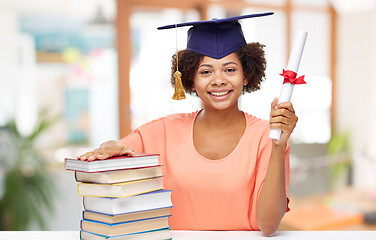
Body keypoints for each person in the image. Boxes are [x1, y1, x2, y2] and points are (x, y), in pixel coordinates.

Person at [78, 12, 298, 236]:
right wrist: (110, 146)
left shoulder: (268, 137)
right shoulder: (163, 131)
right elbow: (120, 149)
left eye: (230, 69)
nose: (219, 79)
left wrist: (279, 147)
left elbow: (269, 226)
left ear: (247, 75)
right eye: (206, 71)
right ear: (190, 79)